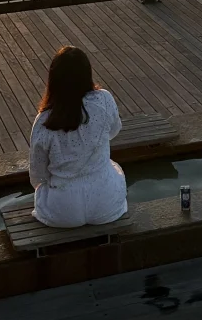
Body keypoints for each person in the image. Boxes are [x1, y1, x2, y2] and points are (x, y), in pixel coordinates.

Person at [28, 46, 128, 227]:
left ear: (54, 80)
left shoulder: (44, 121)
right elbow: (114, 130)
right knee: (113, 167)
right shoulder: (104, 99)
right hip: (106, 204)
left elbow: (37, 175)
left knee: (43, 191)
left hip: (62, 212)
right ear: (87, 74)